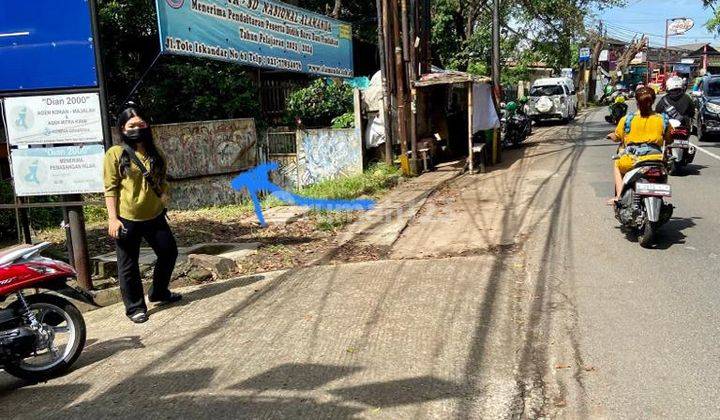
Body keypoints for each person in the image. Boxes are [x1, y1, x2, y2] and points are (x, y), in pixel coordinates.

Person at [104, 106, 181, 323]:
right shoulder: (115, 154)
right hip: (127, 218)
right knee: (128, 265)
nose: (137, 129)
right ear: (122, 128)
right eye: (131, 126)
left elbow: (162, 180)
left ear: (147, 125)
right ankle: (135, 307)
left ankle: (159, 292)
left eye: (141, 124)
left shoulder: (155, 152)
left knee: (169, 252)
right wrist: (112, 218)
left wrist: (163, 195)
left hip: (154, 215)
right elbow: (110, 188)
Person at [607, 87, 671, 204]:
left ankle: (619, 197)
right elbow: (669, 139)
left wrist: (612, 136)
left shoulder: (627, 119)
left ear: (637, 102)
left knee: (617, 164)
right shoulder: (663, 120)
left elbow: (617, 136)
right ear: (653, 101)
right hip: (658, 160)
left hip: (633, 160)